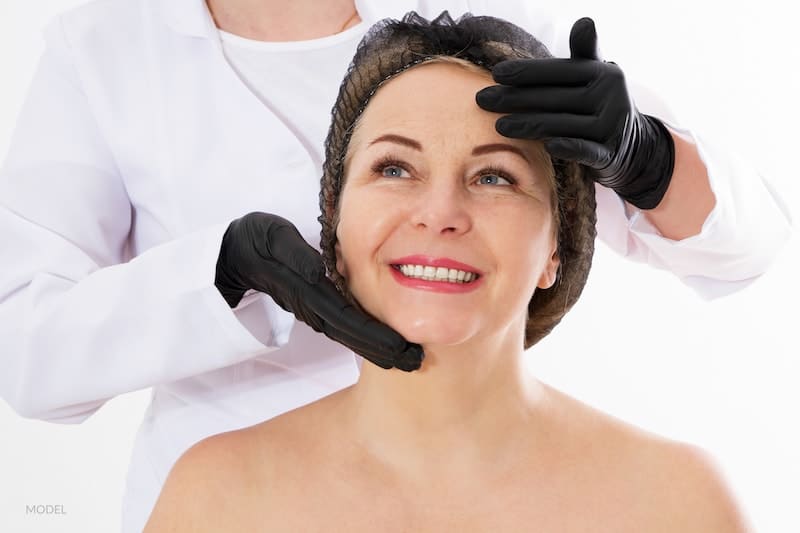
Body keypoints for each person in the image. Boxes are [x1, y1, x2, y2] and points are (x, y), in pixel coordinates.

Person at [0, 1, 787, 531]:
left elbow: (745, 242)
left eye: (490, 174)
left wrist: (646, 157)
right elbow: (26, 352)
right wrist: (219, 277)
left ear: (554, 251)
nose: (436, 214)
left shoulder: (664, 501)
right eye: (393, 169)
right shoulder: (102, 46)